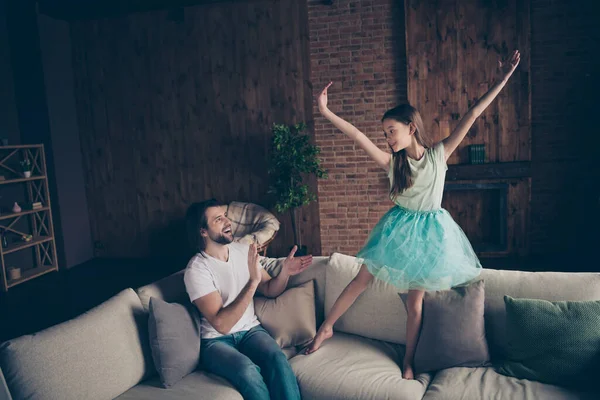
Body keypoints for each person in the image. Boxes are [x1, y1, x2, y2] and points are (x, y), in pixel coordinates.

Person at [305, 50, 521, 380]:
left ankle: (408, 361)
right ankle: (326, 329)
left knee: (415, 303)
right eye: (385, 133)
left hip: (432, 232)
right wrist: (325, 111)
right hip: (398, 230)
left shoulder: (439, 154)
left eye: (391, 131)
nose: (387, 138)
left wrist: (503, 79)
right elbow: (358, 136)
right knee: (361, 279)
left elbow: (474, 113)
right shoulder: (394, 165)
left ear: (411, 128)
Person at [184, 199, 313, 399]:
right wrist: (253, 282)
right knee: (247, 370)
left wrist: (285, 273)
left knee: (277, 359)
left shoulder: (242, 251)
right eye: (218, 219)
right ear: (203, 231)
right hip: (216, 342)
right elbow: (222, 325)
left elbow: (270, 289)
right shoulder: (197, 270)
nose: (227, 222)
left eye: (225, 216)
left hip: (250, 331)